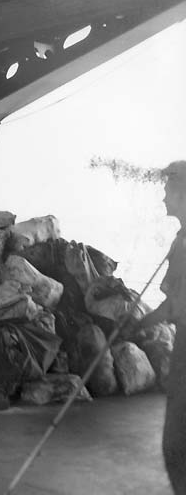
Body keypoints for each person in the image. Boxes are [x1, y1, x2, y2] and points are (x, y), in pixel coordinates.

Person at [131, 160, 186, 493]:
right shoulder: (180, 240)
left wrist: (138, 324)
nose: (164, 197)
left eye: (168, 189)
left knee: (176, 442)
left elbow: (174, 306)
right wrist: (140, 322)